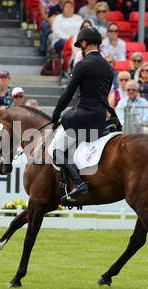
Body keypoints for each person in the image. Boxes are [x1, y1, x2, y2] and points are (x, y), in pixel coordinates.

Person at [50, 26, 117, 202]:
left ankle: (80, 183)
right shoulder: (108, 68)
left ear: (84, 43)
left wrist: (56, 114)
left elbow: (67, 94)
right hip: (99, 118)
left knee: (55, 150)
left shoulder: (83, 65)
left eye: (81, 44)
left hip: (82, 117)